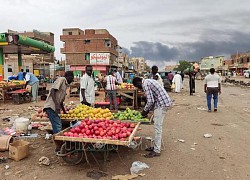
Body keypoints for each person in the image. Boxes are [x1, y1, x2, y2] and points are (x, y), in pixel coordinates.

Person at [132, 77, 172, 158]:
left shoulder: (145, 84)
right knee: (157, 126)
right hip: (163, 103)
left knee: (157, 126)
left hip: (161, 104)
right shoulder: (148, 81)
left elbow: (150, 101)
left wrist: (144, 111)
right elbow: (152, 98)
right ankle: (155, 146)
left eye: (138, 86)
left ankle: (157, 150)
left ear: (138, 83)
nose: (139, 88)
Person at [43, 71, 74, 152]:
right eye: (72, 77)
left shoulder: (66, 85)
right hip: (51, 106)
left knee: (58, 125)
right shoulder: (62, 79)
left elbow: (61, 101)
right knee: (58, 126)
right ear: (69, 77)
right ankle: (59, 147)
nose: (73, 79)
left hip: (55, 107)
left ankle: (59, 146)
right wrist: (56, 104)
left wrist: (64, 111)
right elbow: (53, 90)